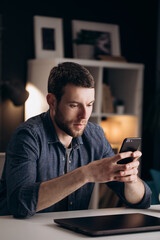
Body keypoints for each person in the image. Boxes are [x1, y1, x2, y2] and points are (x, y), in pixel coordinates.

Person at [0, 62, 151, 218]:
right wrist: (85, 174)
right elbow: (20, 205)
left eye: (89, 104)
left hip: (71, 231)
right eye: (74, 105)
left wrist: (130, 179)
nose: (84, 115)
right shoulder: (27, 136)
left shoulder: (95, 135)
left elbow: (142, 201)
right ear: (52, 101)